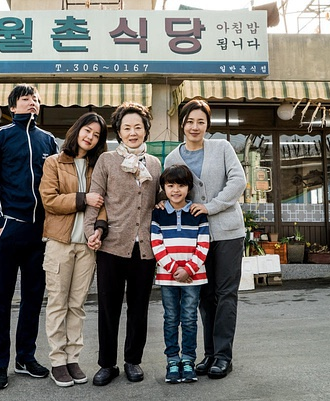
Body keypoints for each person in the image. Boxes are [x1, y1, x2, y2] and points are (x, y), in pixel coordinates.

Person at [0, 84, 59, 390]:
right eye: (26, 99)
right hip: (9, 227)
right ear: (12, 106)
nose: (32, 103)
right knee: (2, 299)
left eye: (35, 99)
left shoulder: (48, 140)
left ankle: (25, 358)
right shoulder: (0, 135)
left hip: (39, 232)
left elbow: (55, 183)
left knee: (33, 298)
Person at [164, 99, 246, 380]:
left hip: (227, 232)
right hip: (193, 238)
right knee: (204, 296)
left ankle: (223, 356)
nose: (195, 127)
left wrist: (211, 206)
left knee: (225, 294)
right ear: (182, 124)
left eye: (200, 121)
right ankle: (209, 354)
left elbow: (238, 181)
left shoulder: (222, 148)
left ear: (207, 125)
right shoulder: (172, 158)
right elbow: (171, 191)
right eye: (190, 121)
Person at [84, 101, 162, 386]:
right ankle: (107, 364)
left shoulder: (154, 164)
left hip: (145, 249)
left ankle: (133, 360)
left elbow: (156, 202)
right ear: (118, 131)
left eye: (138, 127)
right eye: (127, 128)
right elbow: (95, 200)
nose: (132, 133)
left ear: (145, 131)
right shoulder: (106, 161)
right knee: (108, 308)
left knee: (139, 308)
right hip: (111, 246)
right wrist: (90, 232)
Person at [39, 112, 108, 387]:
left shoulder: (97, 166)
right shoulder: (53, 162)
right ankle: (57, 361)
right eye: (87, 130)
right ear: (77, 130)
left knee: (77, 305)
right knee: (58, 303)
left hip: (87, 247)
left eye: (96, 135)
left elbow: (104, 203)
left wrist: (99, 230)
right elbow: (49, 200)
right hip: (59, 243)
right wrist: (83, 199)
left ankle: (72, 359)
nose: (90, 137)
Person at [151, 164, 210, 384]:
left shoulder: (197, 212)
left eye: (181, 185)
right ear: (164, 188)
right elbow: (156, 244)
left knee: (189, 319)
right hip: (168, 277)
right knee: (170, 319)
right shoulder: (158, 212)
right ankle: (172, 361)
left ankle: (188, 360)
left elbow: (203, 244)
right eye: (170, 185)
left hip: (194, 277)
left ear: (189, 188)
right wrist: (175, 269)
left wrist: (189, 269)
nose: (176, 190)